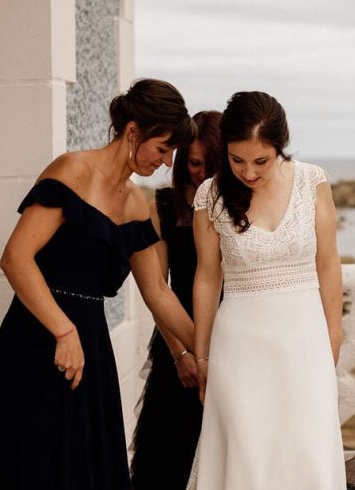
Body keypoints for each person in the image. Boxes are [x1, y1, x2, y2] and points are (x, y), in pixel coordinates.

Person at [0, 79, 198, 490]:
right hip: (38, 339)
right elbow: (15, 259)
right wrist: (63, 330)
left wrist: (208, 349)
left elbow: (157, 292)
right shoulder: (72, 170)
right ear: (134, 130)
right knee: (46, 470)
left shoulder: (135, 202)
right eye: (163, 149)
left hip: (91, 345)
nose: (167, 163)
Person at [190, 91, 346, 489]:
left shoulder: (313, 181)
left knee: (308, 450)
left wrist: (333, 333)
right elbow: (208, 277)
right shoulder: (210, 195)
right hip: (239, 348)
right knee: (249, 454)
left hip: (305, 342)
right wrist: (203, 355)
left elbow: (328, 263)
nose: (248, 172)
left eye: (261, 160)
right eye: (236, 159)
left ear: (281, 145)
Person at [129, 111, 223, 489]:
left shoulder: (234, 205)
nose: (201, 173)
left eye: (210, 165)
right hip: (177, 338)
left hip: (227, 337)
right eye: (194, 163)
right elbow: (157, 288)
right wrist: (181, 354)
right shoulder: (165, 206)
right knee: (168, 453)